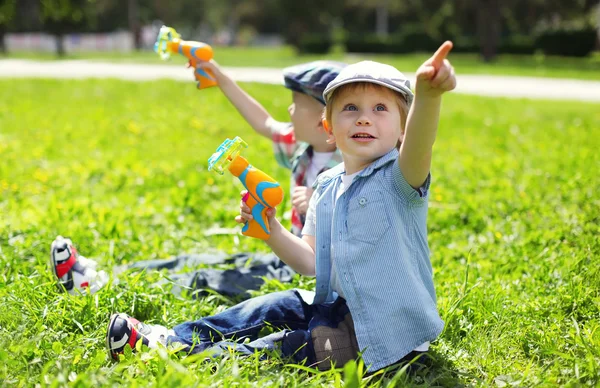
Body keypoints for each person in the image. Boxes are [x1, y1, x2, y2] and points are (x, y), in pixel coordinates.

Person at [106, 42, 457, 373]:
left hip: (388, 339)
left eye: (380, 109)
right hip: (338, 306)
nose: (364, 119)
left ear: (401, 130)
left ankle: (176, 353)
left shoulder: (400, 180)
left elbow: (421, 142)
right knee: (269, 306)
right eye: (351, 108)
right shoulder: (326, 186)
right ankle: (174, 336)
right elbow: (307, 260)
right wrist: (272, 231)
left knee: (285, 346)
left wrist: (428, 96)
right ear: (328, 127)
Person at [50, 61, 346, 298]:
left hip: (301, 270)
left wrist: (321, 206)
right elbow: (263, 121)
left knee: (209, 279)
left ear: (324, 120)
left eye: (297, 104)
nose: (289, 110)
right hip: (281, 254)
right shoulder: (303, 146)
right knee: (198, 260)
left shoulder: (349, 167)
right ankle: (101, 272)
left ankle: (98, 286)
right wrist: (221, 77)